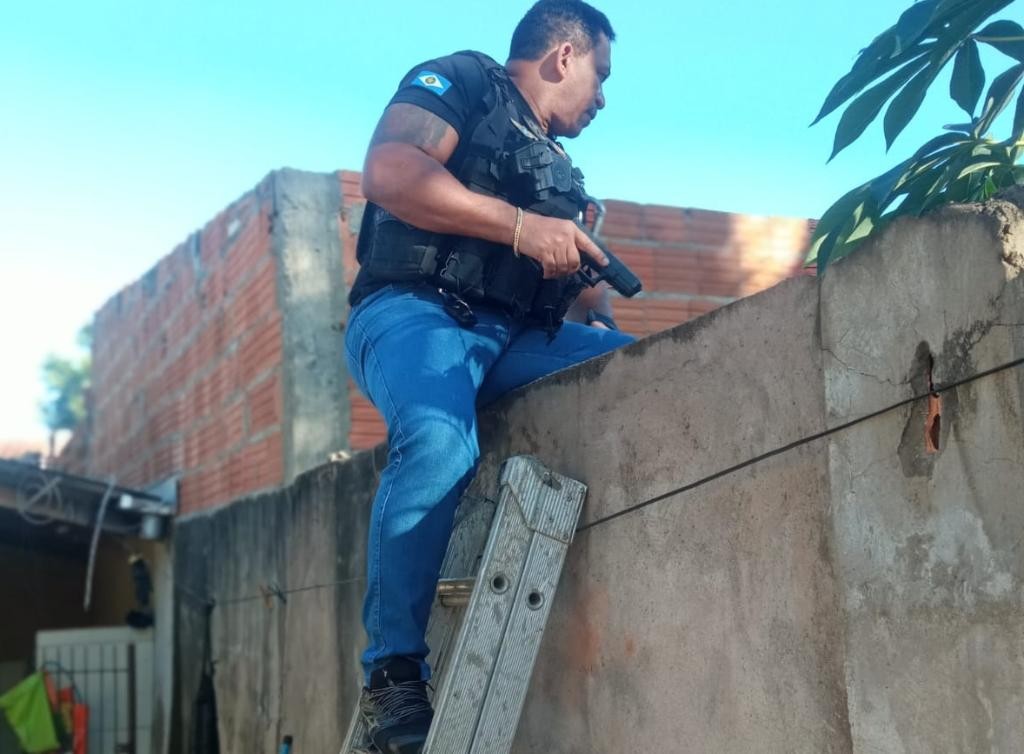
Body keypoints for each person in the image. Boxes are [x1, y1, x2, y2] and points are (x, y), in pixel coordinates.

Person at [344, 1, 631, 751]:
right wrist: (521, 227)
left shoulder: (557, 165)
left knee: (639, 369)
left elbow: (572, 287)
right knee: (441, 443)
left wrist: (593, 299)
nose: (603, 98)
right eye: (601, 75)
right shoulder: (463, 80)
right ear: (564, 56)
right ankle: (392, 679)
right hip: (410, 310)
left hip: (510, 335)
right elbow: (389, 171)